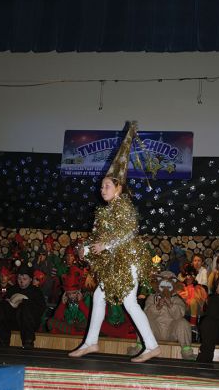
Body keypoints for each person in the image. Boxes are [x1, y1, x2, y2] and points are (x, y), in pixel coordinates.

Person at [68, 122, 161, 363]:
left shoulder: (124, 206)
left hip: (127, 260)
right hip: (113, 264)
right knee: (99, 297)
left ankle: (151, 345)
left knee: (130, 302)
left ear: (118, 188)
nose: (102, 189)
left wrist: (105, 246)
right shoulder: (104, 211)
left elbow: (129, 232)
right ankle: (91, 343)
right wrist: (86, 248)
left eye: (107, 185)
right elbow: (98, 239)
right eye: (101, 186)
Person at [0, 263, 46, 349]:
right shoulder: (12, 289)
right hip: (13, 321)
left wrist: (23, 302)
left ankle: (28, 341)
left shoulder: (36, 291)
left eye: (24, 279)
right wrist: (8, 303)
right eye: (19, 278)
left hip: (29, 323)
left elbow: (41, 308)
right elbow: (5, 303)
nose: (21, 281)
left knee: (25, 307)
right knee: (0, 307)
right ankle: (2, 338)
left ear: (30, 279)